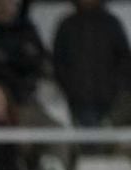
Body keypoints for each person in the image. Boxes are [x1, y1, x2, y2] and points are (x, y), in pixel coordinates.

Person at [52, 0, 130, 128]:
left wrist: (116, 87)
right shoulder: (67, 25)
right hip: (78, 100)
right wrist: (70, 88)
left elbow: (124, 60)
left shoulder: (111, 23)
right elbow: (58, 62)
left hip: (111, 100)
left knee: (109, 141)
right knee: (86, 141)